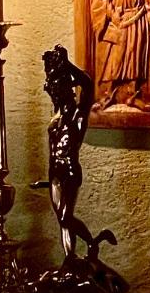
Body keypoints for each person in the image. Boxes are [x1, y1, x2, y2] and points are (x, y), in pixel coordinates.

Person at [43, 45, 114, 260]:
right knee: (62, 221)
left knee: (66, 217)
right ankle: (70, 259)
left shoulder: (78, 115)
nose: (54, 95)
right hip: (54, 172)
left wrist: (68, 65)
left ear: (68, 90)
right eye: (52, 91)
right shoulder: (56, 118)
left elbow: (88, 85)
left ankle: (90, 243)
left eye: (57, 91)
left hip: (70, 171)